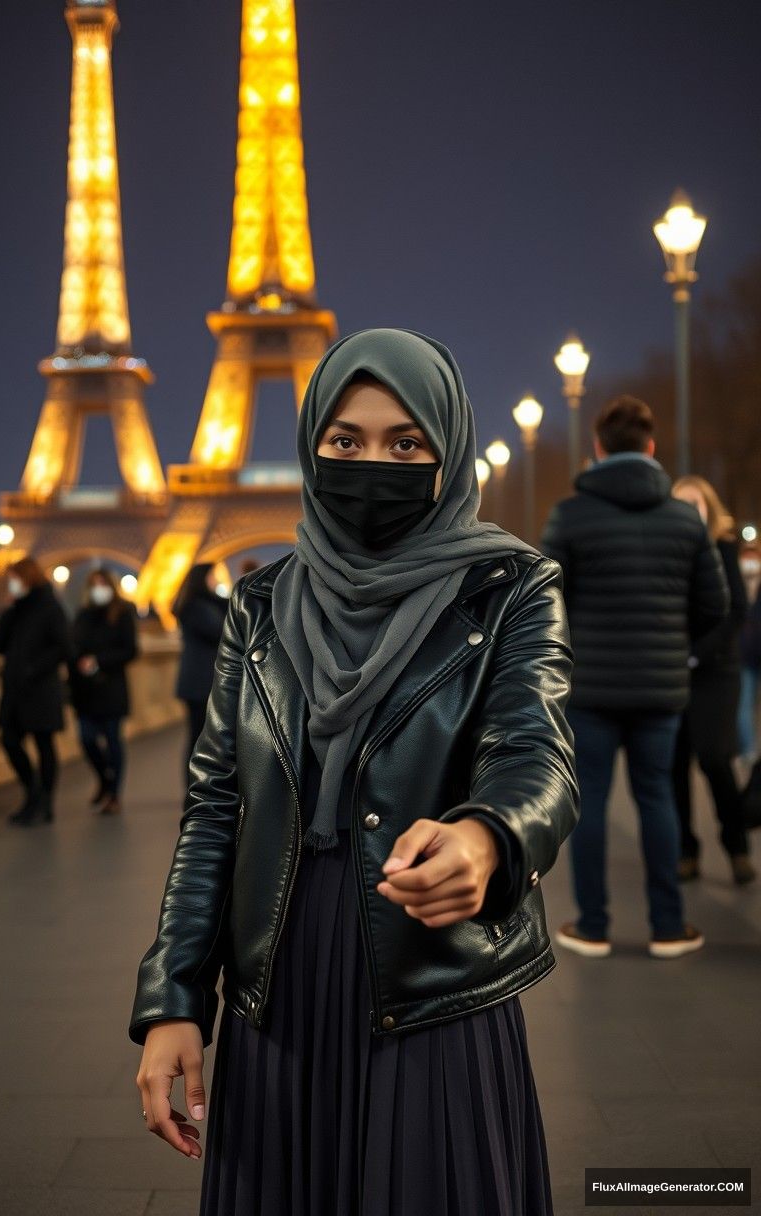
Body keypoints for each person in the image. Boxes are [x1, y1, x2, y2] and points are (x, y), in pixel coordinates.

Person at [129, 328, 579, 1216]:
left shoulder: (513, 586)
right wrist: (173, 996)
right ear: (311, 446)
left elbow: (537, 751)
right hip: (280, 978)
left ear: (446, 452)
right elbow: (217, 807)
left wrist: (489, 838)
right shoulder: (259, 604)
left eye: (406, 443)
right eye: (345, 440)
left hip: (431, 972)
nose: (373, 461)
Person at [541, 395, 728, 959]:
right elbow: (713, 605)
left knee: (589, 801)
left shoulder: (571, 514)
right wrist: (676, 644)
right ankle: (669, 926)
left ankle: (592, 925)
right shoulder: (683, 519)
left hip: (592, 687)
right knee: (658, 799)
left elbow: (546, 601)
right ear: (651, 448)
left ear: (596, 448)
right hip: (661, 688)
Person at [671, 477, 754, 884]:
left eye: (694, 502)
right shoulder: (668, 550)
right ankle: (686, 850)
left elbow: (737, 609)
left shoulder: (723, 546)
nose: (688, 510)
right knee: (674, 764)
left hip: (716, 671)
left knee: (714, 758)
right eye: (680, 503)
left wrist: (696, 653)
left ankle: (736, 844)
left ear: (708, 506)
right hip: (673, 672)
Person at [0, 556, 71, 826]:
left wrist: (34, 669)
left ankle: (44, 800)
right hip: (15, 690)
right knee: (9, 740)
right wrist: (9, 613)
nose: (10, 584)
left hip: (40, 689)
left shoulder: (50, 608)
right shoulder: (15, 610)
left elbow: (63, 647)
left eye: (14, 578)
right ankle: (33, 792)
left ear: (28, 578)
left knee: (43, 744)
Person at [70, 567, 138, 816]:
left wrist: (99, 660)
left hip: (110, 688)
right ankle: (104, 779)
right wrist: (79, 660)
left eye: (102, 583)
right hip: (85, 690)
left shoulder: (123, 613)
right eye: (94, 583)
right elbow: (72, 644)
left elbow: (131, 650)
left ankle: (114, 794)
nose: (98, 588)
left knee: (112, 740)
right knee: (87, 739)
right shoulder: (83, 614)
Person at [172, 562, 229, 768]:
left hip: (197, 681)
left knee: (201, 738)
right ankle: (194, 788)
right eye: (213, 576)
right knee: (201, 739)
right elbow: (221, 633)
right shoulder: (197, 607)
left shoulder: (199, 604)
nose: (217, 581)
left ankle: (196, 788)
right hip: (201, 682)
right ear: (202, 579)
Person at [737, 544, 761, 766]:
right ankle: (749, 750)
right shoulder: (735, 584)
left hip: (750, 651)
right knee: (743, 705)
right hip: (744, 654)